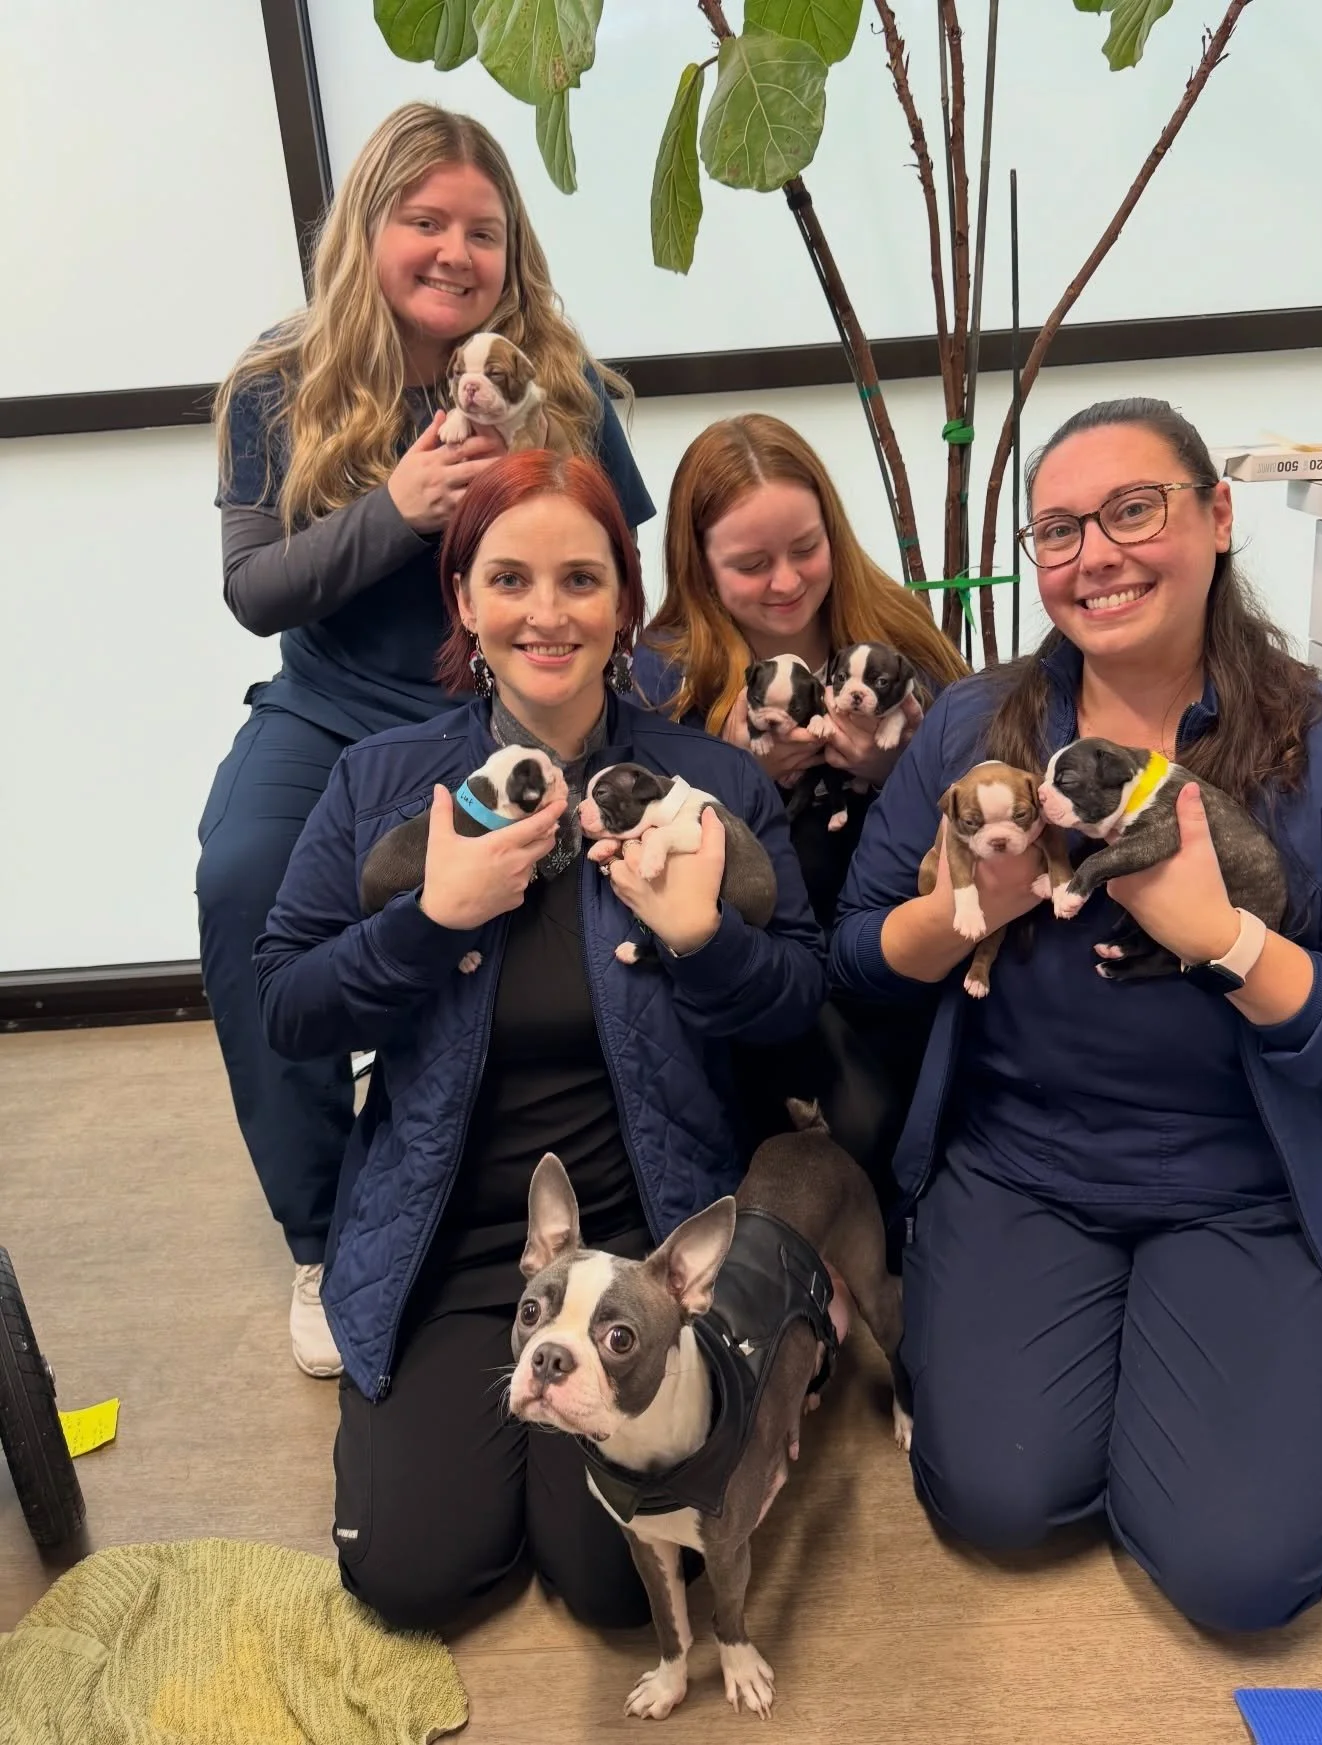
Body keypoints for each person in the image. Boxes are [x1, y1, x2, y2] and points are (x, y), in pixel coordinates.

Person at [831, 397, 1322, 1633]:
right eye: (1057, 530)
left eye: (1132, 510)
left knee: (1242, 1575)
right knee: (996, 1499)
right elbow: (853, 959)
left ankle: (1239, 1372)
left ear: (1218, 516)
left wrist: (1223, 939)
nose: (1093, 554)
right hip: (1020, 1167)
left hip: (1250, 1186)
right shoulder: (975, 725)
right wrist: (965, 911)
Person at [252, 449, 824, 1633]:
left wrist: (704, 940)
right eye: (509, 579)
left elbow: (799, 1010)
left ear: (626, 598)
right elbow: (288, 1006)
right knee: (418, 1575)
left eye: (581, 578)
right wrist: (429, 921)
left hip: (646, 1240)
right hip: (451, 1237)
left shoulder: (705, 783)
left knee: (618, 1582)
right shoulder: (385, 780)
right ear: (463, 598)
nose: (547, 613)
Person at [197, 101, 654, 1378]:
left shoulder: (558, 378)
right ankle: (326, 1225)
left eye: (485, 231)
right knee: (243, 885)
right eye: (426, 222)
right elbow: (255, 592)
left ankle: (607, 1168)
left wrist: (531, 486)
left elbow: (621, 562)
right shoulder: (279, 385)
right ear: (367, 230)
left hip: (515, 702)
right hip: (335, 705)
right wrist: (401, 508)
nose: (457, 252)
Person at [630, 414, 969, 1188]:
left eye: (805, 550)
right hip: (755, 977)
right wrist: (752, 786)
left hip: (901, 957)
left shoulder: (900, 640)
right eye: (751, 564)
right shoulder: (664, 679)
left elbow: (983, 791)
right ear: (700, 566)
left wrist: (898, 778)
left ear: (835, 535)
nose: (785, 582)